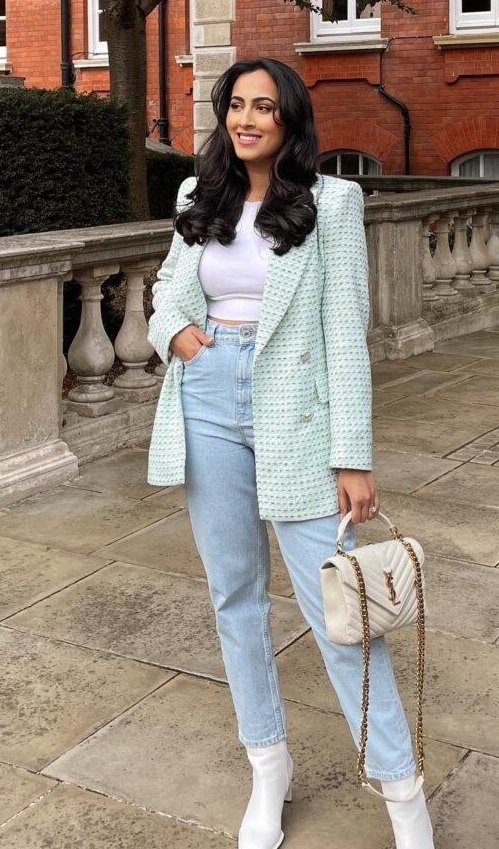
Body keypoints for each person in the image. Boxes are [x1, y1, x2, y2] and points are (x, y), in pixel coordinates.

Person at [146, 57, 434, 849]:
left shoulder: (331, 201)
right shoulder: (194, 195)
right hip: (206, 396)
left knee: (341, 615)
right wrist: (175, 334)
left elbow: (345, 332)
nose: (246, 120)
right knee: (234, 598)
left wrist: (353, 455)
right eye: (235, 106)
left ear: (289, 119)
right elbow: (170, 286)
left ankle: (403, 796)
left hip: (293, 410)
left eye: (262, 108)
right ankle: (267, 767)